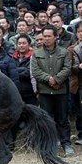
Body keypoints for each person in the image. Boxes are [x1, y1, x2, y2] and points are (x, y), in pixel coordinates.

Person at [30, 25, 75, 156]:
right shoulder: (36, 53)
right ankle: (49, 146)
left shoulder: (64, 52)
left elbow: (67, 69)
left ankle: (66, 143)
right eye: (45, 36)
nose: (47, 39)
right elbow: (36, 71)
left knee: (62, 118)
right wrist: (49, 79)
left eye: (50, 36)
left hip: (61, 91)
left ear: (56, 37)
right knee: (46, 119)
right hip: (44, 91)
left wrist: (57, 80)